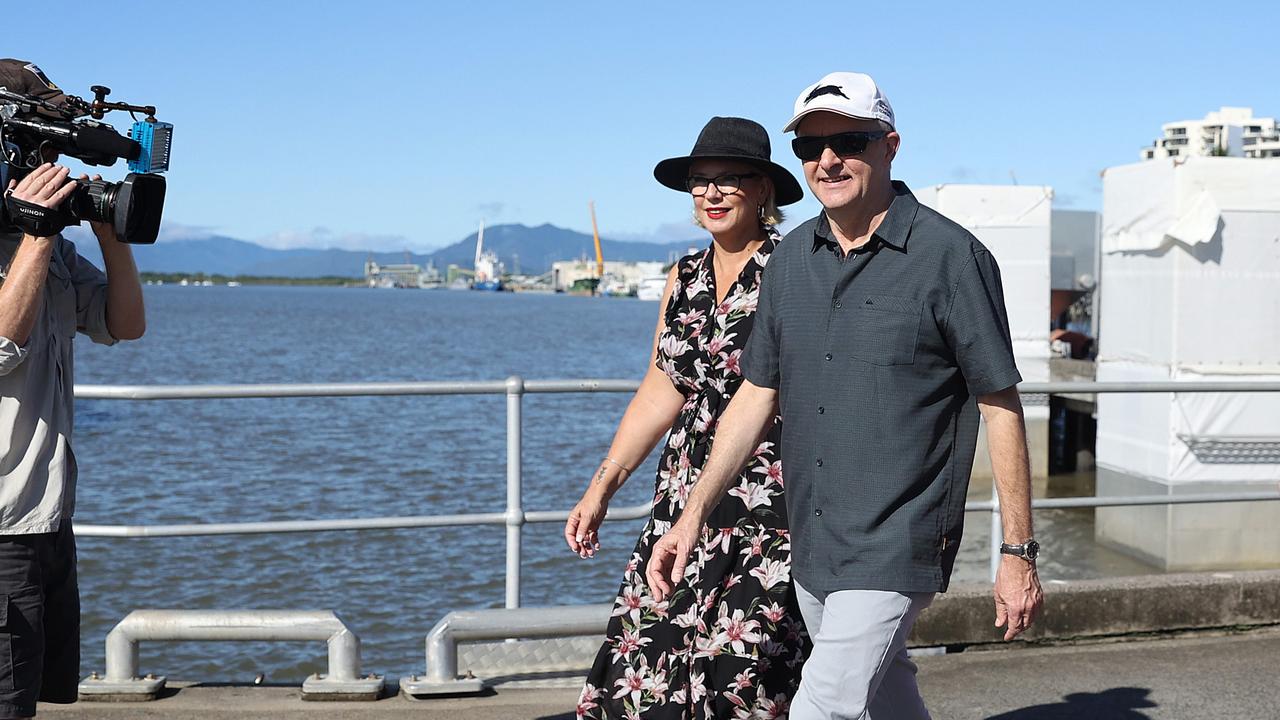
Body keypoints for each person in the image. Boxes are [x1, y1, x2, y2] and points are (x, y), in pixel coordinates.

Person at [646, 73, 1044, 719]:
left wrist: (1017, 553)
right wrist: (692, 516)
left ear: (889, 145)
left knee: (821, 708)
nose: (827, 161)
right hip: (812, 532)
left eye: (849, 141)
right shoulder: (792, 257)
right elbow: (755, 393)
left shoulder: (951, 257)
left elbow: (999, 405)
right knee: (887, 696)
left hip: (899, 537)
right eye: (809, 148)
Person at [567, 117, 809, 719]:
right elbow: (662, 385)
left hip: (768, 500)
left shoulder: (797, 267)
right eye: (701, 182)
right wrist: (602, 486)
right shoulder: (685, 275)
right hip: (683, 494)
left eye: (731, 179)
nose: (712, 193)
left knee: (744, 677)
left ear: (764, 190)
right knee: (646, 664)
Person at [0, 60, 147, 720]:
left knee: (26, 701)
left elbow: (124, 324)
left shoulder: (51, 248)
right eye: (38, 152)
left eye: (55, 153)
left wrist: (112, 239)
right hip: (2, 530)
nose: (49, 165)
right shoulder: (35, 244)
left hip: (46, 521)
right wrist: (33, 238)